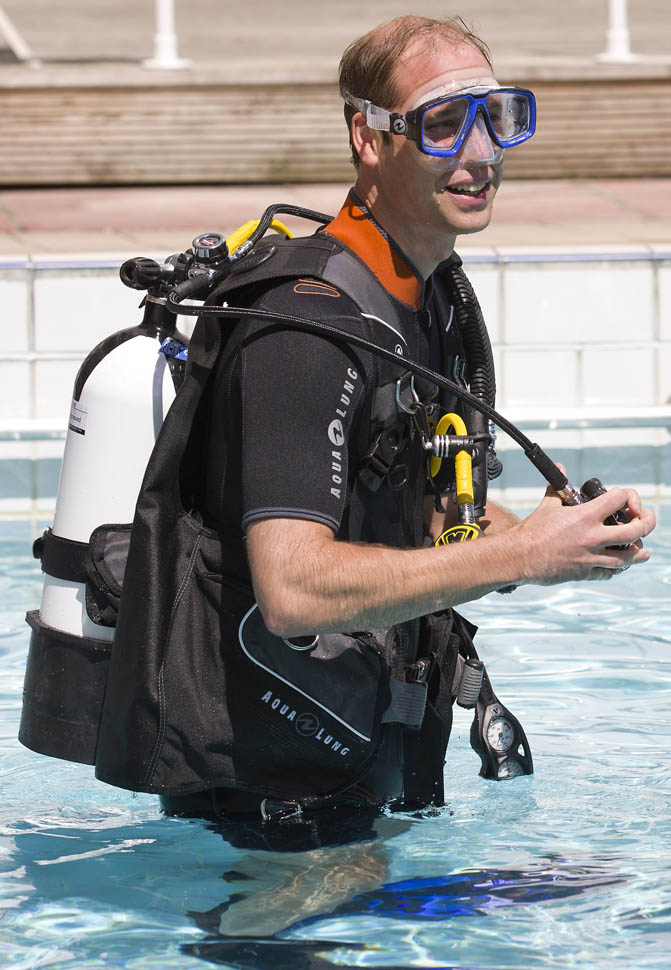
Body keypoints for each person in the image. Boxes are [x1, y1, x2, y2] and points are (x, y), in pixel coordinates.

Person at [151, 14, 655, 824]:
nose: (481, 153)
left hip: (359, 766)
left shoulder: (423, 299)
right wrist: (526, 554)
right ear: (367, 136)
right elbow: (292, 588)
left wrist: (559, 537)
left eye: (498, 117)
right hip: (275, 807)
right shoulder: (304, 330)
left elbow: (418, 512)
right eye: (443, 123)